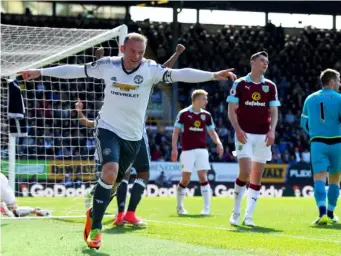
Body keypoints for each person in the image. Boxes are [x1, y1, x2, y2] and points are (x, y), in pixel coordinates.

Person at [22, 32, 236, 249]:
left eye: (141, 52)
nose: (136, 56)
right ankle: (96, 228)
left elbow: (180, 73)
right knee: (110, 171)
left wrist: (213, 75)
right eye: (132, 51)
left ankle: (94, 212)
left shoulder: (150, 69)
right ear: (123, 49)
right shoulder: (108, 65)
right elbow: (76, 70)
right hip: (108, 128)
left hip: (133, 135)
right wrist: (40, 71)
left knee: (113, 185)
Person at [80, 44, 186, 227]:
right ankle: (120, 212)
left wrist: (176, 54)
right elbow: (163, 70)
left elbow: (163, 70)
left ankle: (124, 213)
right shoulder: (123, 78)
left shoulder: (141, 75)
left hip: (136, 131)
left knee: (134, 173)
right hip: (120, 132)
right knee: (124, 174)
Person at [226, 51, 280, 227]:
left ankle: (248, 216)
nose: (265, 64)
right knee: (245, 171)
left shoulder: (270, 86)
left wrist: (272, 131)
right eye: (262, 61)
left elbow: (274, 111)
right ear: (253, 62)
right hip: (244, 134)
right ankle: (235, 212)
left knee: (257, 175)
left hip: (263, 135)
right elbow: (231, 108)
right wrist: (237, 129)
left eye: (267, 61)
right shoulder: (240, 83)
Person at [171, 89, 223, 216]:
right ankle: (180, 206)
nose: (206, 101)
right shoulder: (183, 114)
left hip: (201, 150)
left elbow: (212, 132)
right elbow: (176, 132)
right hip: (187, 150)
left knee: (202, 176)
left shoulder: (206, 115)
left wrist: (218, 143)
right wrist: (174, 149)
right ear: (197, 99)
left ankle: (206, 208)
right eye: (204, 99)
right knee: (185, 179)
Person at [300, 68, 341, 225]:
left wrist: (315, 132)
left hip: (318, 143)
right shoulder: (339, 98)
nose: (339, 83)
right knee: (335, 180)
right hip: (337, 142)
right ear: (331, 82)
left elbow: (303, 123)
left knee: (319, 178)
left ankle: (321, 212)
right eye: (338, 81)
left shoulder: (310, 99)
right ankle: (331, 213)